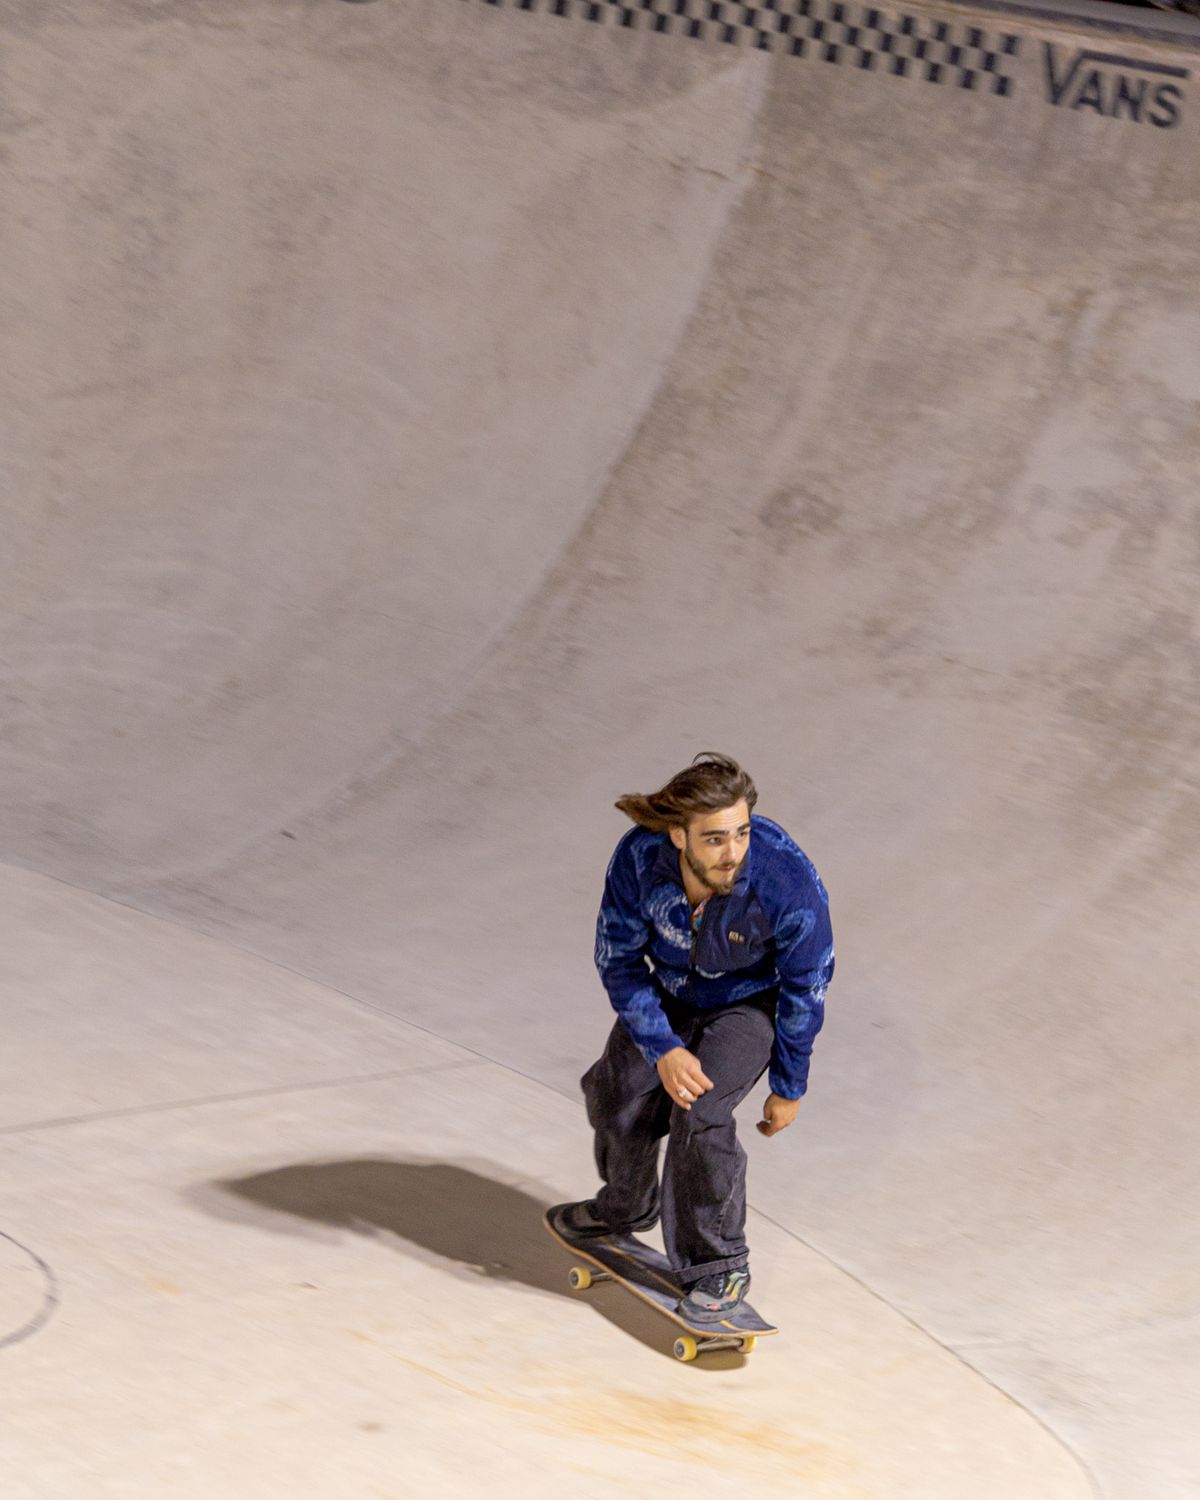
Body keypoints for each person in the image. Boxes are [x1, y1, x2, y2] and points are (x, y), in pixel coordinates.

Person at [551, 752, 835, 1323]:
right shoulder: (639, 858)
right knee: (613, 1095)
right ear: (678, 835)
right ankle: (627, 1206)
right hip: (669, 991)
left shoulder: (786, 881)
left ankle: (719, 1264)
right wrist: (663, 1048)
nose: (733, 852)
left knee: (700, 1112)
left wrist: (789, 1085)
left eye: (742, 833)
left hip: (749, 1005)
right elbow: (618, 959)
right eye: (714, 839)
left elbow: (807, 985)